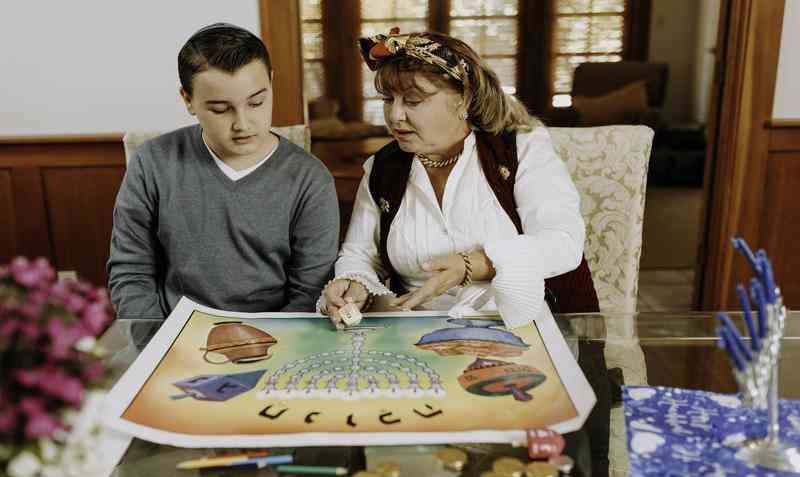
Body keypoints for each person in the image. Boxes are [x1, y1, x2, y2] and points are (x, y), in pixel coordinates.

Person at [320, 29, 598, 329]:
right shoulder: (383, 168)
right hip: (417, 333)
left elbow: (562, 242)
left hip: (520, 325)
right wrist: (356, 283)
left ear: (463, 99)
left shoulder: (520, 148)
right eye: (388, 99)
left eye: (413, 101)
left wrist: (475, 263)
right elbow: (359, 254)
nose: (395, 115)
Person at [108, 23, 339, 319]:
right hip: (174, 336)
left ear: (271, 82)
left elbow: (309, 291)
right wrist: (157, 343)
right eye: (220, 109)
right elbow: (131, 273)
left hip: (277, 337)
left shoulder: (310, 179)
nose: (243, 123)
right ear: (188, 100)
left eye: (256, 102)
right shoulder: (152, 162)